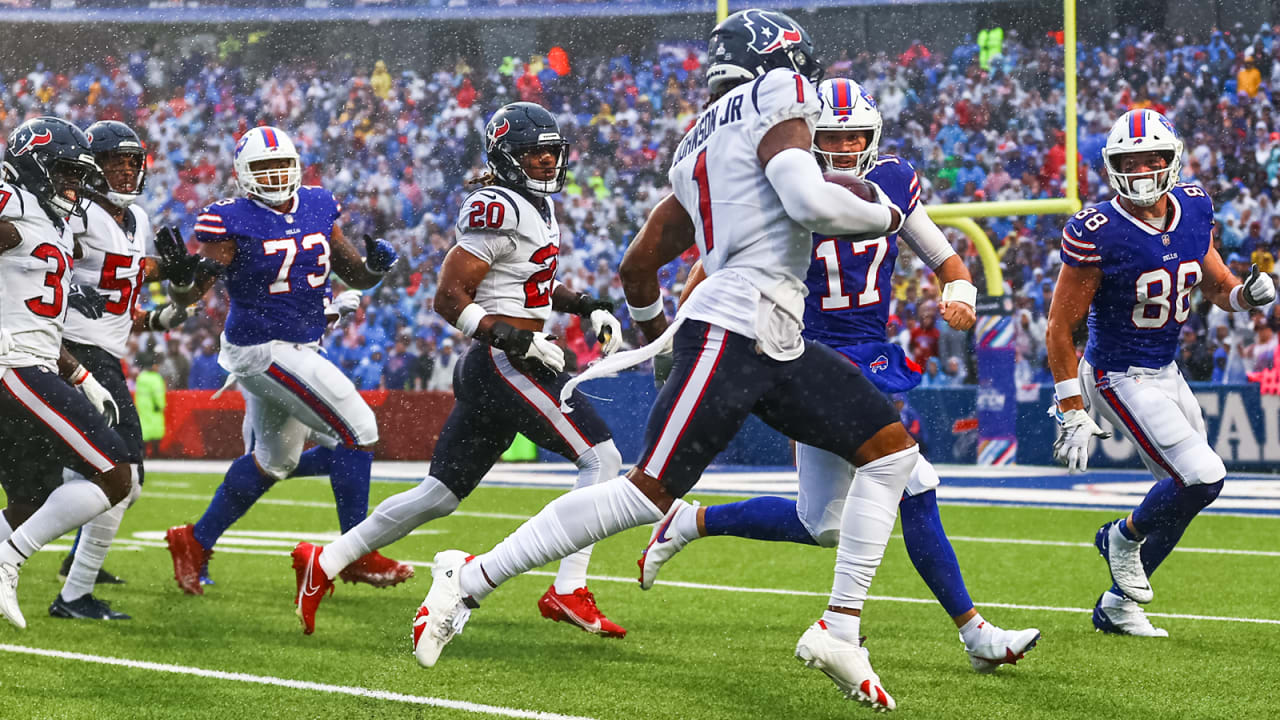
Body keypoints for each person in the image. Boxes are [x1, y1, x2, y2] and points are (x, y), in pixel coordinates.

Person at [407, 11, 915, 711]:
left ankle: (840, 629)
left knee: (890, 453)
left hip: (773, 335)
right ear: (782, 62)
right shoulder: (779, 98)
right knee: (643, 493)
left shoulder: (699, 137)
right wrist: (889, 214)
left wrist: (657, 336)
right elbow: (812, 204)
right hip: (736, 330)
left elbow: (639, 263)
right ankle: (467, 581)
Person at [641, 78, 1039, 673]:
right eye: (835, 136)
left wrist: (959, 291)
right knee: (914, 482)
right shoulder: (782, 186)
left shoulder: (892, 181)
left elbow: (944, 256)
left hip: (869, 349)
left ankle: (693, 521)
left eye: (857, 135)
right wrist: (680, 336)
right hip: (807, 357)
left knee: (820, 523)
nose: (848, 147)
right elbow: (710, 270)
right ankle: (969, 633)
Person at [291, 101, 627, 639]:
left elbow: (529, 281)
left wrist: (586, 305)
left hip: (500, 361)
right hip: (504, 361)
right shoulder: (497, 206)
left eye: (551, 152)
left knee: (439, 495)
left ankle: (324, 561)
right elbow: (448, 298)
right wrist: (516, 339)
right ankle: (567, 589)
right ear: (506, 156)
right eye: (534, 153)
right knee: (602, 460)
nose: (546, 162)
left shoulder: (534, 206)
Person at [1046, 109, 1276, 637]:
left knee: (1187, 494)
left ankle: (1118, 606)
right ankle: (1120, 537)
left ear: (1171, 160)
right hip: (1117, 374)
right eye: (1130, 160)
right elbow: (1060, 328)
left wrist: (1245, 296)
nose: (1143, 169)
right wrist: (1071, 407)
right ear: (1112, 166)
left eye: (1152, 158)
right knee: (1203, 474)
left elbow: (1216, 286)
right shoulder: (1097, 230)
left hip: (1167, 370)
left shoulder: (1194, 206)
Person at [162, 125, 412, 596]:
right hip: (260, 347)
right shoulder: (229, 220)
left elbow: (353, 271)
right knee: (359, 429)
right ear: (242, 174)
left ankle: (194, 541)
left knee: (274, 461)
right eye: (264, 168)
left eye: (281, 165)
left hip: (302, 346)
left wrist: (375, 268)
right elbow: (195, 291)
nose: (275, 176)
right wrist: (179, 280)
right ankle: (354, 553)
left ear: (296, 166)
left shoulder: (318, 205)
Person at [50, 120, 191, 620]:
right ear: (92, 166)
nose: (126, 170)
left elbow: (120, 293)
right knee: (120, 477)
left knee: (99, 479)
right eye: (115, 161)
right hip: (72, 350)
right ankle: (73, 592)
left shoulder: (138, 220)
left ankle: (74, 563)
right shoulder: (77, 212)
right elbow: (54, 263)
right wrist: (70, 284)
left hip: (104, 353)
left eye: (133, 161)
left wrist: (166, 304)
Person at [0, 116, 134, 629]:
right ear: (31, 165)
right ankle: (9, 560)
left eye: (77, 175)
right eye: (63, 172)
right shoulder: (13, 204)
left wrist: (83, 378)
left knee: (31, 500)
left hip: (33, 363)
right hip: (16, 370)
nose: (73, 185)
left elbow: (39, 321)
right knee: (114, 475)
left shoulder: (45, 219)